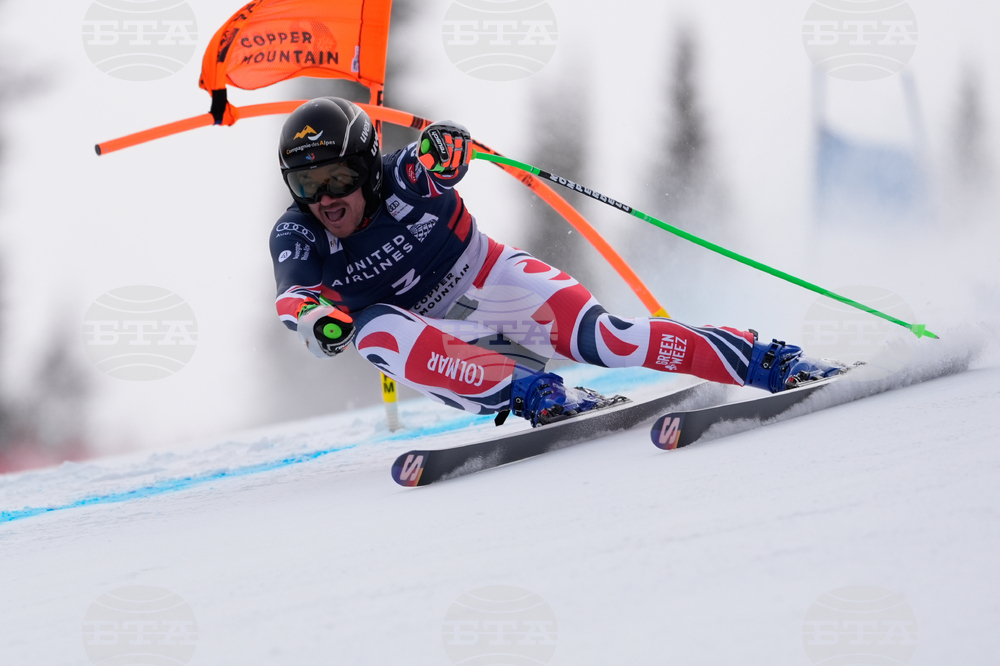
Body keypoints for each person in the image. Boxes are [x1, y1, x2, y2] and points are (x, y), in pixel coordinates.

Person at [269, 98, 842, 427]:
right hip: (445, 343)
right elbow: (294, 294)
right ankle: (532, 392)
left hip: (492, 284)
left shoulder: (399, 176)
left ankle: (767, 361)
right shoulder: (298, 230)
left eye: (338, 177)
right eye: (306, 183)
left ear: (366, 167)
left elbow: (432, 160)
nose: (325, 198)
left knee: (611, 342)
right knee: (374, 331)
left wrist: (445, 145)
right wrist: (315, 319)